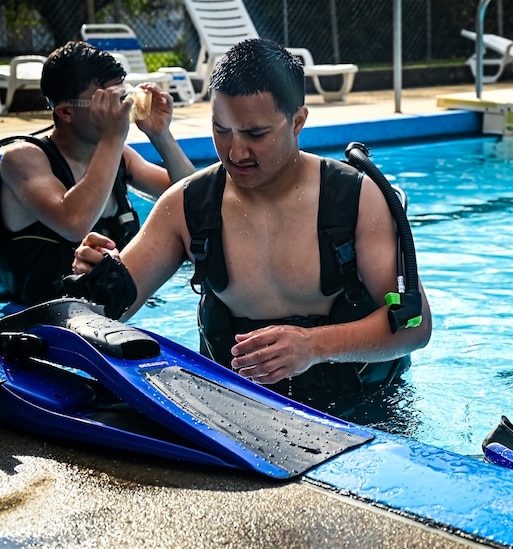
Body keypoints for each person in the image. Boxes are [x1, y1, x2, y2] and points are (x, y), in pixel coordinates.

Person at [70, 38, 432, 418]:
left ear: (297, 121)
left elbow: (414, 324)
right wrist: (95, 273)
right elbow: (107, 309)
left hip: (367, 410)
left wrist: (314, 345)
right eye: (221, 130)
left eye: (256, 134)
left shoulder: (357, 199)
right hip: (235, 413)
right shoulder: (187, 206)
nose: (236, 152)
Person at [0, 41, 195, 305]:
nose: (119, 109)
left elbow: (193, 199)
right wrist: (112, 138)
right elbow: (74, 223)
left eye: (121, 97)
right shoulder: (23, 159)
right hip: (37, 325)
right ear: (66, 112)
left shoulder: (119, 156)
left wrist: (161, 136)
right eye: (106, 100)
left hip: (112, 314)